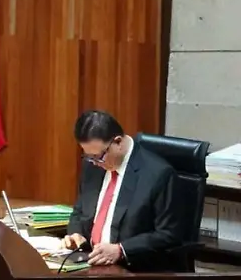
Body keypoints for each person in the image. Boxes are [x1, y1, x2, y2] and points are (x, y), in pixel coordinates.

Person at [61, 110, 179, 270]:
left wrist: (121, 250)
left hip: (131, 268)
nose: (94, 162)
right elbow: (80, 210)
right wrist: (76, 234)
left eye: (98, 156)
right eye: (89, 156)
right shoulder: (93, 165)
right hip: (89, 262)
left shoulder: (158, 174)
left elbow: (168, 234)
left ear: (118, 142)